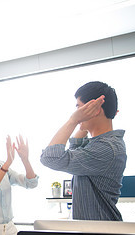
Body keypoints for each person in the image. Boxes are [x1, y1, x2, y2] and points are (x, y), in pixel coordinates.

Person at [40, 81, 126, 221]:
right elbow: (74, 149)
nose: (77, 112)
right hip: (94, 233)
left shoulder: (106, 148)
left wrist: (73, 120)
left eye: (79, 107)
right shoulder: (99, 144)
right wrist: (82, 125)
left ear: (95, 109)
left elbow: (50, 158)